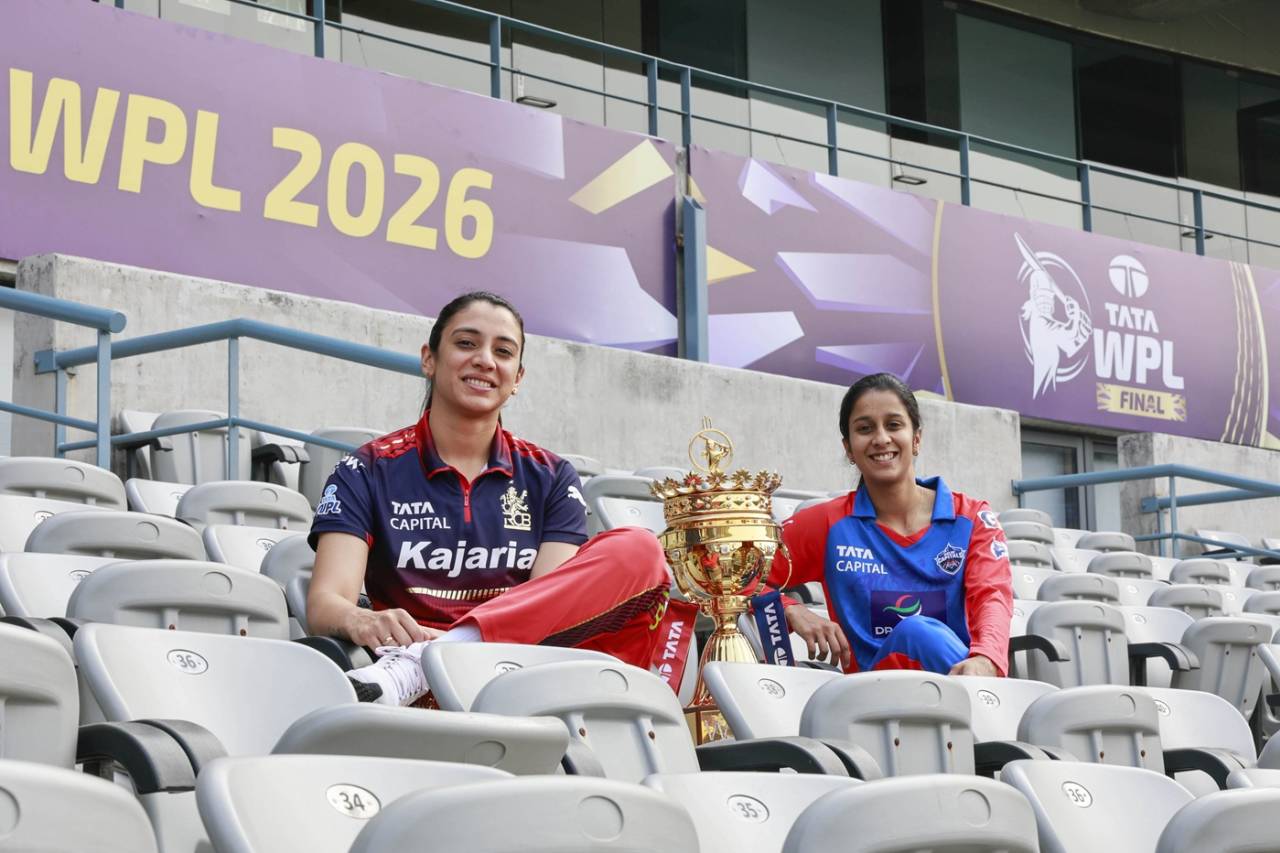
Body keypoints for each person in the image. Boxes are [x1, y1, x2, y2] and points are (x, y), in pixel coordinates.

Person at [306, 291, 678, 706]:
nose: (484, 360)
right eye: (466, 343)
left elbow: (550, 609)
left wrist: (453, 651)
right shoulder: (367, 469)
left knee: (640, 549)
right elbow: (325, 602)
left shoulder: (552, 476)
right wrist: (361, 619)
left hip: (511, 672)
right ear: (429, 359)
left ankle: (437, 657)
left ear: (517, 378)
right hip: (402, 682)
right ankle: (430, 661)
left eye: (503, 351)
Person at [767, 373, 1013, 677]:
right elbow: (737, 573)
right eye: (865, 428)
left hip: (961, 685)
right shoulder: (828, 524)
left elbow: (992, 597)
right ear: (848, 448)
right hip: (871, 697)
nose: (881, 438)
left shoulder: (972, 519)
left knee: (922, 634)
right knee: (917, 633)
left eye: (894, 425)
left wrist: (986, 659)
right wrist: (790, 608)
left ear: (916, 439)